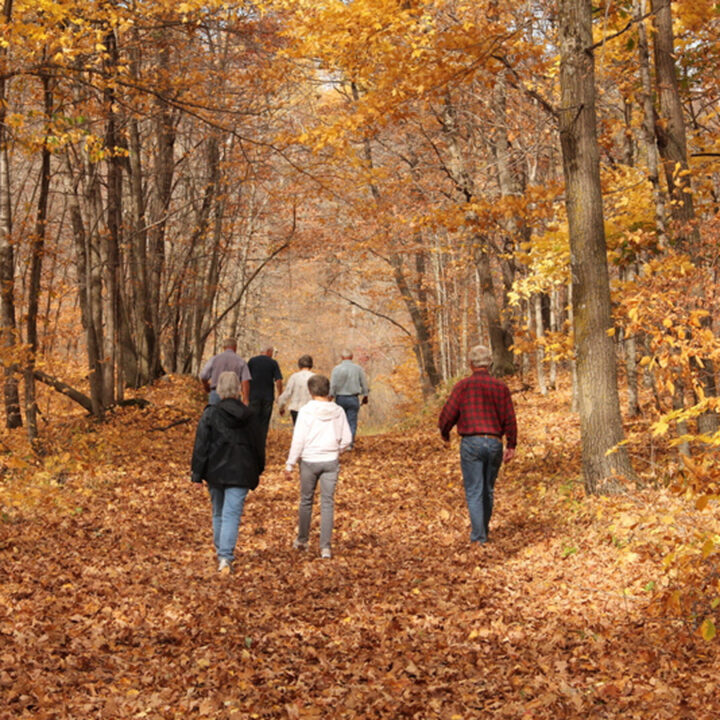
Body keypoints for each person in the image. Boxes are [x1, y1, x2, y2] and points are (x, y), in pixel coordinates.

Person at [438, 344, 517, 546]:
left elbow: (448, 413)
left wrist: (445, 432)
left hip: (471, 442)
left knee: (474, 490)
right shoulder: (501, 388)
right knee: (488, 489)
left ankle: (479, 537)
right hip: (494, 442)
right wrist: (511, 445)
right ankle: (483, 531)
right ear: (489, 364)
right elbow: (510, 418)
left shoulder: (462, 387)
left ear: (471, 364)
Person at [191, 371, 265, 573]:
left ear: (220, 389)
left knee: (218, 512)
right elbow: (259, 445)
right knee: (231, 514)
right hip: (242, 470)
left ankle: (222, 552)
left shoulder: (211, 413)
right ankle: (224, 556)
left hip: (215, 470)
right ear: (239, 389)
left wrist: (197, 474)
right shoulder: (250, 416)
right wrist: (258, 468)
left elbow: (201, 445)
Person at [284, 374, 352, 559]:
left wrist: (290, 463)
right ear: (327, 390)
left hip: (308, 460)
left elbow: (298, 440)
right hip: (330, 460)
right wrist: (336, 451)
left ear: (310, 391)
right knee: (327, 503)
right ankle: (325, 547)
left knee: (306, 501)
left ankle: (302, 540)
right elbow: (347, 438)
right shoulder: (338, 411)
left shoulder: (305, 411)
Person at [329, 349, 369, 448]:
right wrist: (365, 395)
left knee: (339, 421)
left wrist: (330, 396)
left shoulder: (336, 369)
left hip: (340, 398)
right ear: (352, 357)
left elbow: (333, 385)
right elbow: (364, 383)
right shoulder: (358, 369)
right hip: (353, 398)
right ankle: (349, 444)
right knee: (352, 421)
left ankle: (340, 442)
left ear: (342, 358)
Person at [199, 337, 251, 405]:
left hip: (216, 393)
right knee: (232, 415)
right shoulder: (241, 361)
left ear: (224, 347)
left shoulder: (214, 359)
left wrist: (207, 387)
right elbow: (245, 381)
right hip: (233, 395)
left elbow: (203, 376)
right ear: (235, 347)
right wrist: (245, 399)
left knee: (214, 414)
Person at [248, 345, 283, 442]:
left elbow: (245, 379)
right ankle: (261, 443)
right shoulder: (273, 363)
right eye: (272, 352)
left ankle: (252, 443)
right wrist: (280, 395)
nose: (272, 354)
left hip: (253, 396)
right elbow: (278, 380)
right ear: (268, 352)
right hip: (268, 398)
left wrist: (245, 395)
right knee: (264, 423)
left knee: (253, 421)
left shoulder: (252, 361)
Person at [277, 354, 314, 425]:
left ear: (299, 365)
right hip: (311, 410)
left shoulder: (294, 377)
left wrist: (281, 407)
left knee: (298, 431)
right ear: (311, 365)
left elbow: (287, 393)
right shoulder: (314, 377)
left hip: (296, 409)